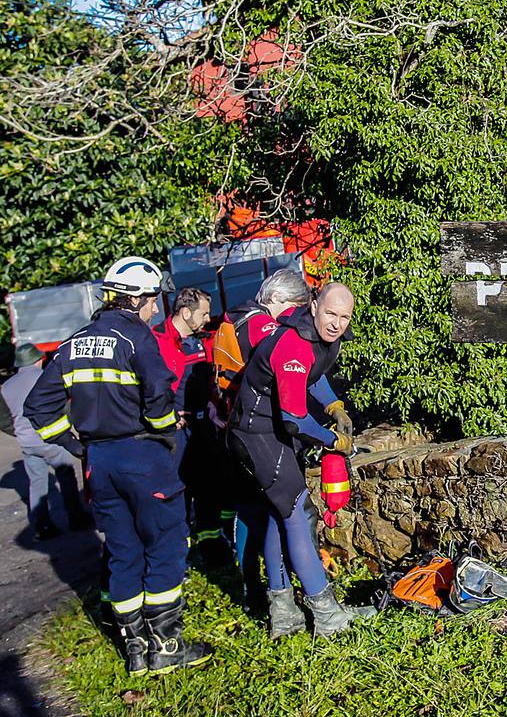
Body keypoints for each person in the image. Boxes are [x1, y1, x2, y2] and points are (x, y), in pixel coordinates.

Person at [24, 256, 213, 677]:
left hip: (98, 462)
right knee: (164, 544)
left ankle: (136, 650)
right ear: (139, 298)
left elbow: (38, 406)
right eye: (154, 299)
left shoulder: (74, 343)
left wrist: (73, 444)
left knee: (123, 552)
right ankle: (166, 646)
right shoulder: (137, 339)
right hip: (143, 456)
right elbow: (160, 396)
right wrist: (166, 434)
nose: (156, 307)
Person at [229, 281, 373, 638]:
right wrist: (332, 440)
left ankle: (284, 614)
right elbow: (295, 418)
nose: (337, 323)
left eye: (344, 316)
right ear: (313, 307)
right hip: (257, 435)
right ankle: (325, 614)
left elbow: (316, 374)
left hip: (271, 432)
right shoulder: (294, 343)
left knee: (281, 516)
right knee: (298, 513)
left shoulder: (325, 336)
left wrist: (333, 405)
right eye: (330, 314)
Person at [210, 269, 312, 612]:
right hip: (257, 434)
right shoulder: (261, 326)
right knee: (268, 516)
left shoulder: (230, 320)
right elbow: (281, 370)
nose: (296, 314)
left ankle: (256, 592)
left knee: (251, 514)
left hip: (230, 428)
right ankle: (266, 595)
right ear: (278, 299)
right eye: (296, 305)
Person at [153, 287, 227, 562]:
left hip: (202, 426)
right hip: (175, 432)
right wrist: (169, 416)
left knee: (208, 487)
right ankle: (178, 554)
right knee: (178, 491)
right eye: (203, 313)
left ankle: (211, 545)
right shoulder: (158, 341)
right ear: (186, 312)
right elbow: (152, 388)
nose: (208, 319)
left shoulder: (198, 341)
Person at [0, 343, 93, 540]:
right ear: (39, 360)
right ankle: (76, 518)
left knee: (37, 484)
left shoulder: (7, 386)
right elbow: (65, 408)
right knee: (66, 478)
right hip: (53, 439)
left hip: (28, 444)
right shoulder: (46, 378)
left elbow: (1, 421)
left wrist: (21, 432)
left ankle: (42, 527)